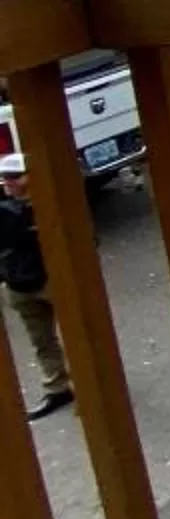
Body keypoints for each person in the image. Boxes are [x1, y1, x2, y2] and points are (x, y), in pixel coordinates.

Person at [0, 163, 70, 419]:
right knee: (41, 340)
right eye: (5, 177)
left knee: (78, 335)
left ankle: (92, 382)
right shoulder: (7, 209)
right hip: (18, 283)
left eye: (15, 176)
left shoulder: (49, 205)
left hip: (52, 279)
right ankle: (58, 386)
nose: (9, 182)